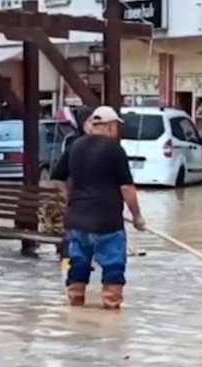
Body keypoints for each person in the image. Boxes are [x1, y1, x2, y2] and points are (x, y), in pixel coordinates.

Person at [51, 105, 146, 309]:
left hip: (77, 219)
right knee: (113, 266)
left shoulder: (74, 146)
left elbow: (57, 178)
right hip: (108, 221)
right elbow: (127, 187)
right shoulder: (115, 150)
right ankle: (111, 309)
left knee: (78, 263)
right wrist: (137, 216)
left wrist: (71, 197)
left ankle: (76, 303)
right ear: (110, 126)